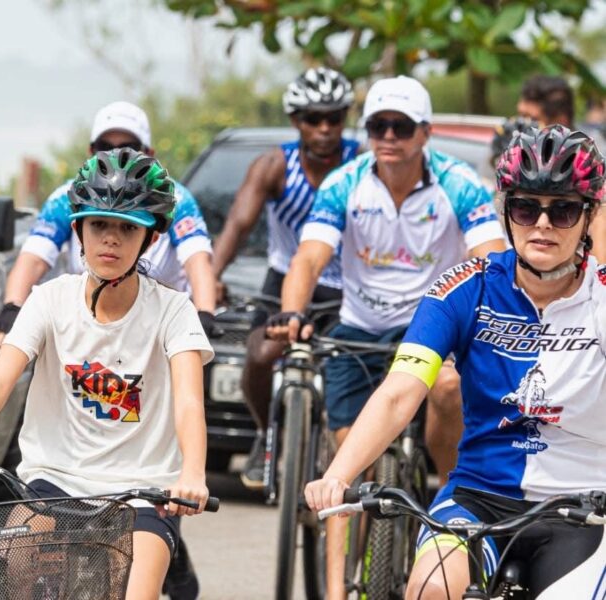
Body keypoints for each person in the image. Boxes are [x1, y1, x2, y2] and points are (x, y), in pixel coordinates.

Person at [305, 125, 606, 598]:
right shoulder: (464, 288)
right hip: (476, 498)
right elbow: (401, 390)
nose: (542, 225)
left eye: (563, 210)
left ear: (589, 218)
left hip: (583, 505)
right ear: (507, 212)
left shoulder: (601, 296)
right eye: (527, 208)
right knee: (431, 586)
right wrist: (339, 476)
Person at [0, 148, 213, 600]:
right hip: (53, 482)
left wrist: (191, 473)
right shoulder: (48, 300)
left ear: (150, 239)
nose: (111, 240)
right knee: (11, 564)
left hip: (142, 491)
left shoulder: (173, 310)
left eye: (127, 228)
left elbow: (189, 403)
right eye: (99, 225)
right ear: (77, 228)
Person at [267, 76, 506, 600]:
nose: (388, 137)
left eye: (400, 127)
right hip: (360, 327)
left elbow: (490, 253)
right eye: (378, 126)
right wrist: (291, 310)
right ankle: (334, 593)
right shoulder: (345, 182)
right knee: (345, 460)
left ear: (424, 133)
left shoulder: (458, 181)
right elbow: (309, 256)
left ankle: (452, 492)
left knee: (447, 387)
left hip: (431, 324)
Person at [210, 66, 360, 489]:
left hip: (344, 286)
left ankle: (345, 447)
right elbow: (238, 225)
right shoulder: (274, 166)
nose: (325, 128)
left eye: (334, 117)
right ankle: (265, 435)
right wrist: (210, 280)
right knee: (259, 355)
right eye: (314, 118)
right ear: (296, 122)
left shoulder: (361, 164)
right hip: (283, 281)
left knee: (350, 365)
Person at [0, 101, 216, 349]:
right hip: (85, 326)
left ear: (149, 153)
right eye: (104, 147)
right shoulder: (67, 197)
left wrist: (204, 314)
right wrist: (13, 307)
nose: (115, 154)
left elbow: (198, 261)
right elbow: (33, 259)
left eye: (128, 147)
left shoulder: (174, 199)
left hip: (159, 329)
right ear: (90, 151)